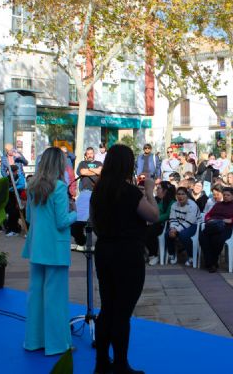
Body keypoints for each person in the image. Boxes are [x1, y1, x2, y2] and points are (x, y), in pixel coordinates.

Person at [90, 144, 159, 374]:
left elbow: (94, 222)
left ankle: (101, 363)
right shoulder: (129, 192)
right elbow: (153, 215)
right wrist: (149, 190)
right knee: (122, 311)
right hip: (128, 254)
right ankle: (120, 364)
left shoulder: (98, 191)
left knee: (107, 308)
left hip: (105, 251)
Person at [21, 147, 75, 356]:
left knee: (35, 296)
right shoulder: (60, 187)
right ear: (59, 164)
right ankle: (56, 344)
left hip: (36, 247)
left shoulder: (32, 186)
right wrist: (74, 213)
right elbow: (62, 222)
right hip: (55, 249)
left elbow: (28, 217)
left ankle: (34, 341)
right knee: (56, 299)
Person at [199, 186, 233, 273]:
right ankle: (211, 262)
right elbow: (208, 214)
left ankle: (212, 263)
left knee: (216, 239)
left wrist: (231, 220)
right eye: (224, 195)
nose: (225, 197)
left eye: (228, 195)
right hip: (213, 226)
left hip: (227, 228)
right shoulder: (218, 204)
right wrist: (209, 219)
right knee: (203, 237)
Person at [166, 187, 201, 266]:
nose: (180, 196)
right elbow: (172, 219)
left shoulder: (192, 205)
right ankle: (172, 254)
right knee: (167, 233)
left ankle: (191, 255)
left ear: (187, 196)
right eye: (178, 194)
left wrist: (176, 230)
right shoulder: (174, 205)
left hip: (193, 225)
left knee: (183, 235)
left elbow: (189, 222)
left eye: (183, 194)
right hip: (179, 225)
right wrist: (172, 228)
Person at [146, 181, 175, 266]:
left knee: (150, 231)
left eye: (158, 188)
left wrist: (153, 219)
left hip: (164, 225)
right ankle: (146, 253)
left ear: (165, 191)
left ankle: (154, 255)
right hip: (155, 222)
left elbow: (166, 215)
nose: (156, 190)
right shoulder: (159, 200)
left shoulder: (172, 202)